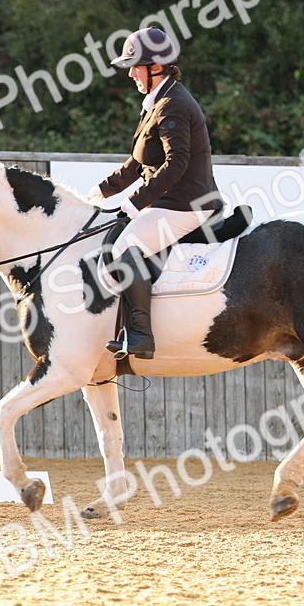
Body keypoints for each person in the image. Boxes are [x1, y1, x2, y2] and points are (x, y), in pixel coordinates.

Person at [86, 27, 222, 360]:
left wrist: (133, 203)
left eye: (135, 65)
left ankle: (141, 336)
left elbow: (176, 165)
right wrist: (103, 191)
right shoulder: (159, 100)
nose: (130, 72)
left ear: (156, 67)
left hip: (185, 205)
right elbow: (139, 161)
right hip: (170, 202)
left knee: (123, 248)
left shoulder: (173, 104)